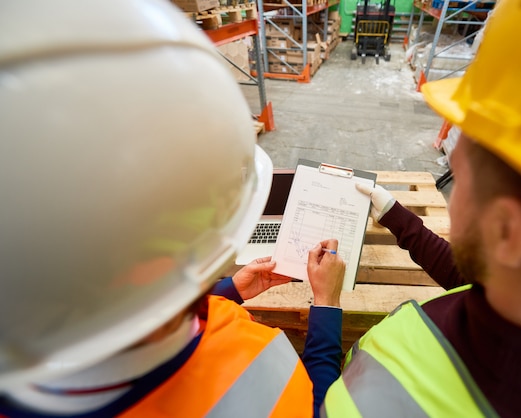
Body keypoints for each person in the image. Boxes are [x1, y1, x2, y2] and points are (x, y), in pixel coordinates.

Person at [0, 0, 345, 416]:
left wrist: (231, 290)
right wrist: (326, 305)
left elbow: (124, 307)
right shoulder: (260, 365)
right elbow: (323, 407)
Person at [322, 0, 521, 417]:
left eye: (461, 179)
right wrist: (394, 213)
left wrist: (325, 308)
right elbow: (473, 278)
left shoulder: (369, 401)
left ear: (508, 232)